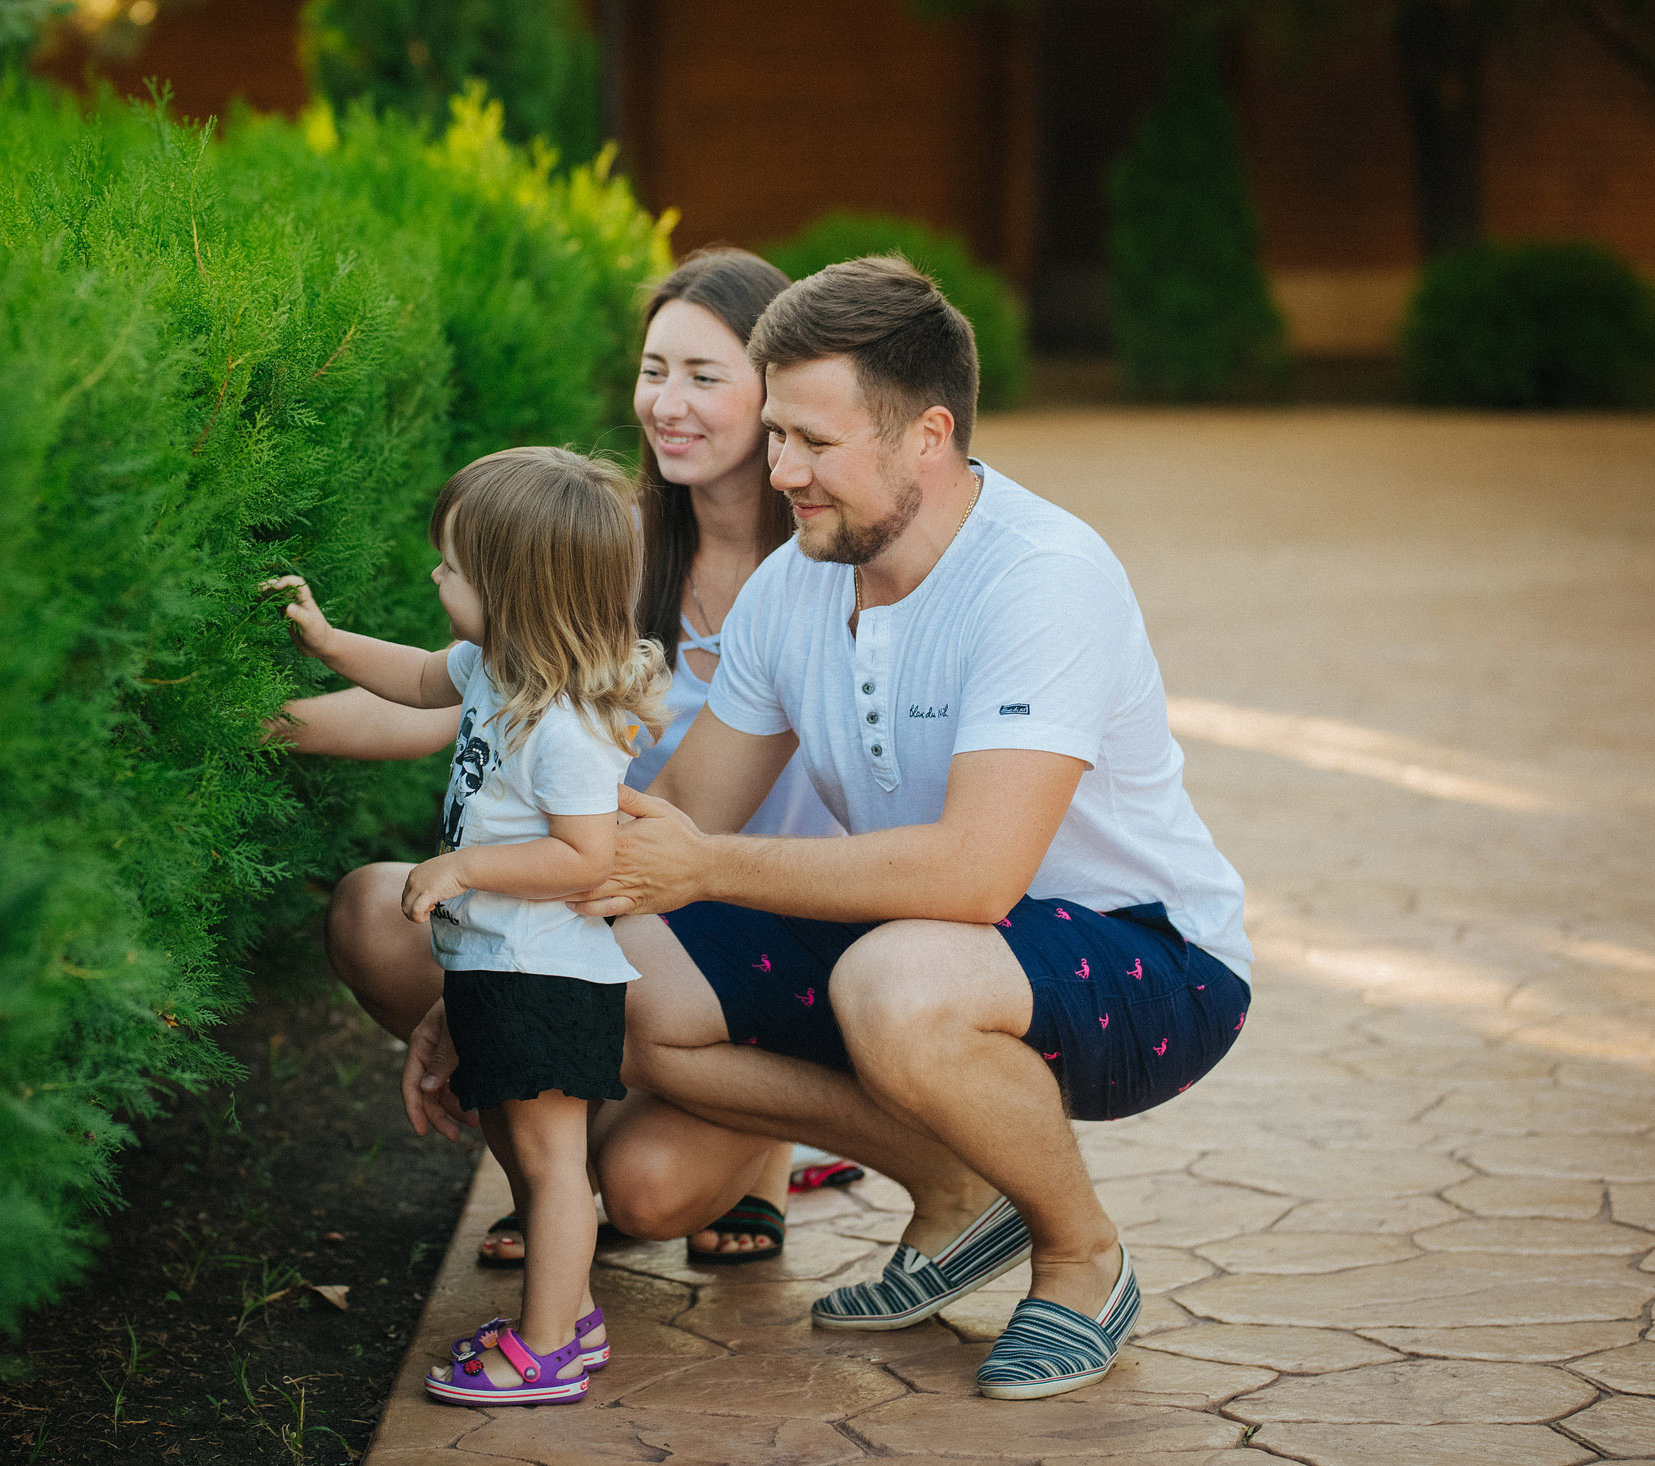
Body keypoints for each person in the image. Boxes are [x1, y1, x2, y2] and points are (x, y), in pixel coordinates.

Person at [404, 256, 1253, 1400]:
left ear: (926, 436)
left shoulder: (1042, 577)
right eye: (778, 438)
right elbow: (674, 821)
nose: (783, 471)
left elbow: (975, 874)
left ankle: (1080, 1257)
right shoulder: (798, 581)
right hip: (907, 938)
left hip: (1148, 956)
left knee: (897, 981)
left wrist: (705, 866)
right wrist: (482, 973)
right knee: (623, 974)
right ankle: (962, 1188)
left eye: (812, 442)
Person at [276, 249, 851, 1266]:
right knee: (376, 907)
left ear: (778, 393)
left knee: (650, 1192)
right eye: (651, 369)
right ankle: (551, 1186)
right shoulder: (606, 544)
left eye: (703, 377)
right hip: (602, 909)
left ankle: (760, 1140)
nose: (664, 404)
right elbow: (450, 698)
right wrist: (257, 719)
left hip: (745, 939)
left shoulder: (827, 568)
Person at [265, 446, 669, 1406]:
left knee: (550, 1168)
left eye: (452, 567)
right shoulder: (494, 670)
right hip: (500, 962)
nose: (435, 576)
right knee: (533, 1161)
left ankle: (548, 1352)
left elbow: (587, 858)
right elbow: (412, 679)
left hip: (546, 974)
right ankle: (560, 1320)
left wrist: (464, 867)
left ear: (517, 591)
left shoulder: (566, 727)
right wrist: (328, 643)